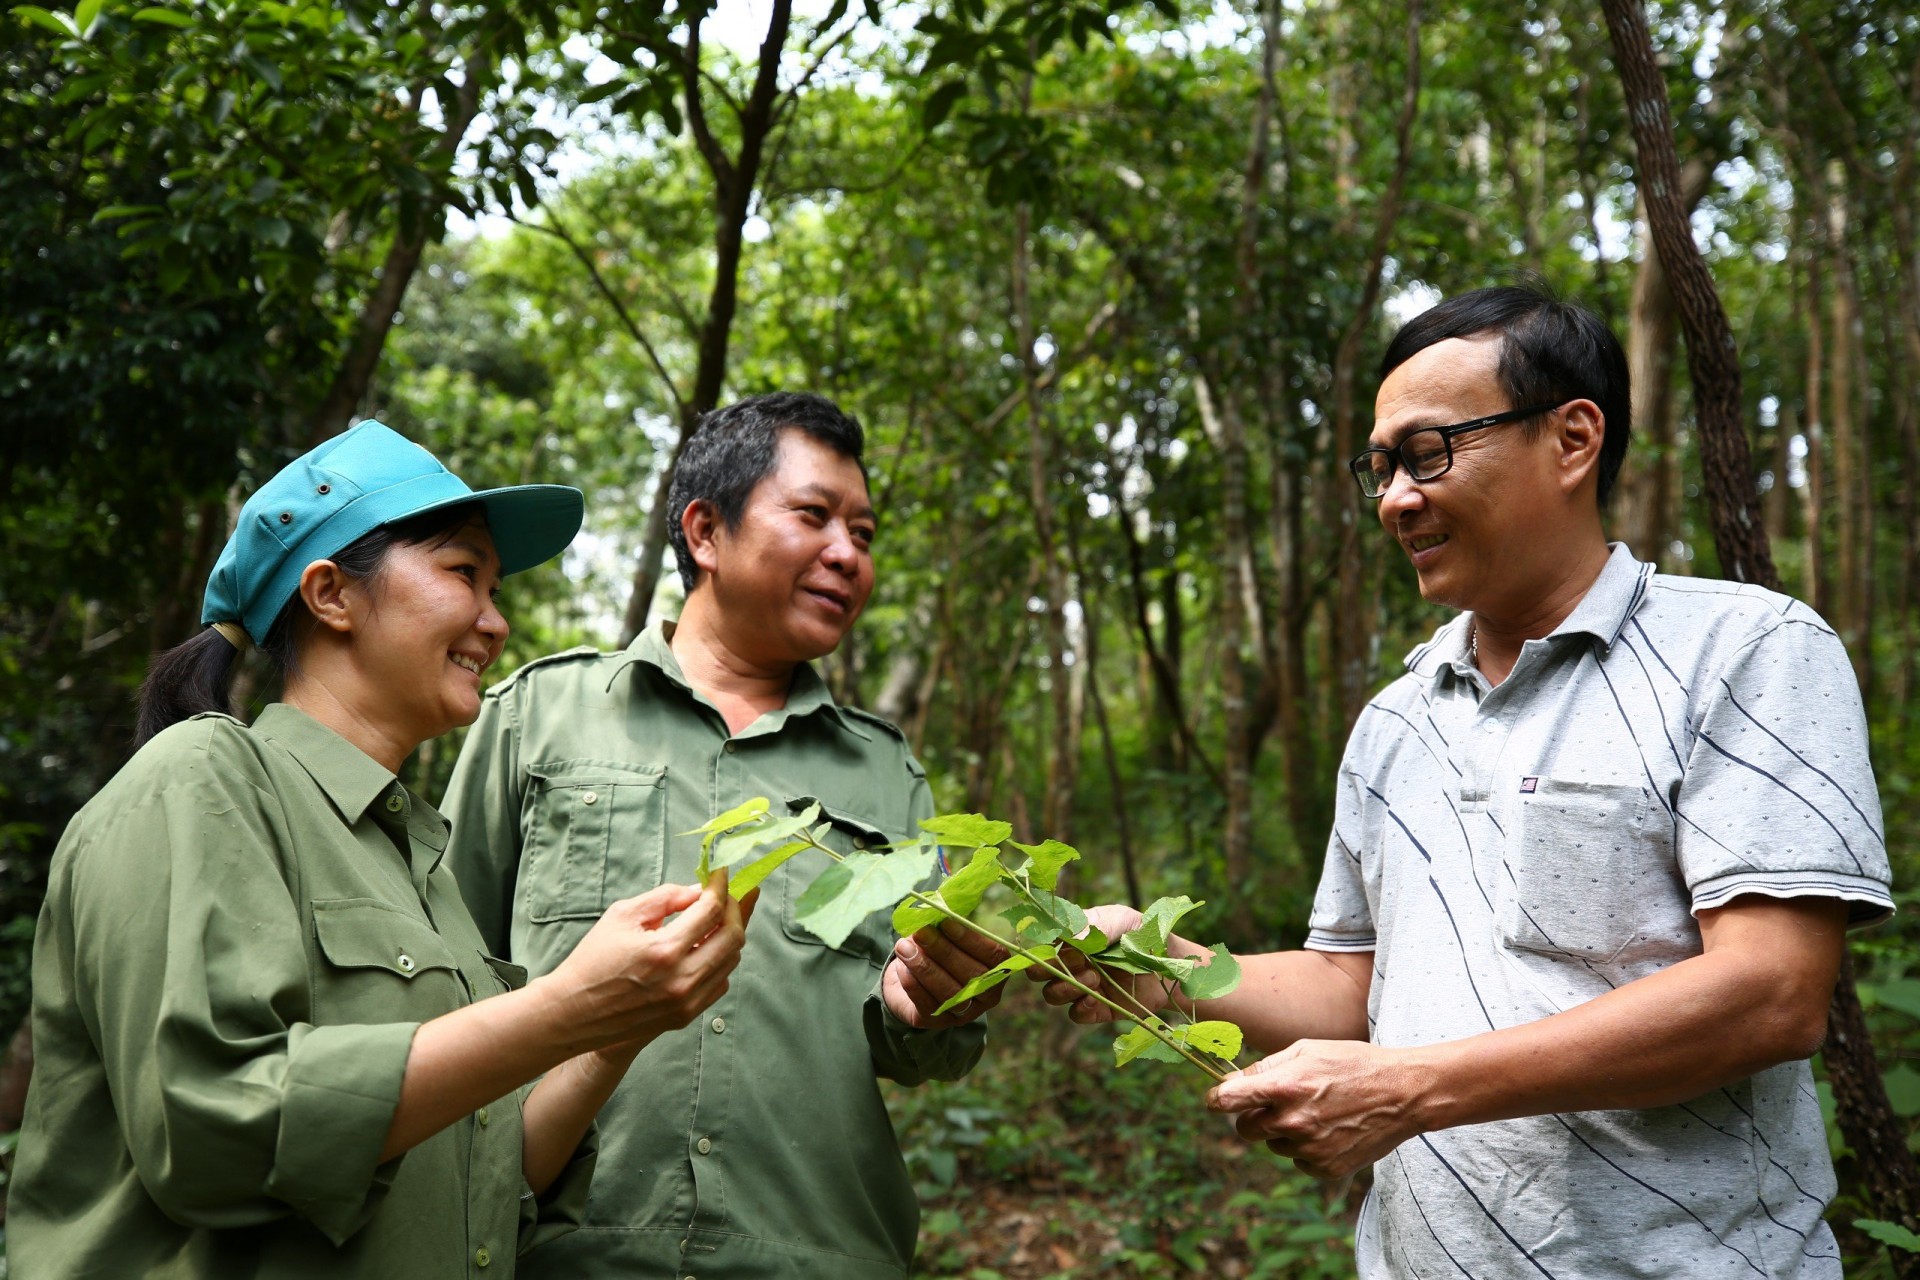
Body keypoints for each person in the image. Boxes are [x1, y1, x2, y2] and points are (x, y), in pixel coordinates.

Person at [1040, 286, 1893, 1278]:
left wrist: (1410, 1086)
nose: (1396, 496)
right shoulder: (1392, 723)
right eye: (1381, 466)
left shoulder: (1746, 650)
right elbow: (1354, 984)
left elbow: (1772, 991)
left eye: (1428, 452)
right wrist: (1161, 961)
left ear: (1574, 439)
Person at [10, 422, 749, 1279]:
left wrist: (617, 1028)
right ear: (331, 594)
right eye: (463, 573)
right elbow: (211, 1132)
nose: (496, 621)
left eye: (496, 587)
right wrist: (568, 1006)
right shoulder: (200, 778)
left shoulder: (418, 864)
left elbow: (489, 1185)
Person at [441, 391, 1002, 1279]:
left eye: (864, 532)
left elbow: (920, 1039)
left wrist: (937, 1003)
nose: (847, 554)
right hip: (557, 1251)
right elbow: (443, 982)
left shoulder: (886, 771)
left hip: (817, 1253)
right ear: (705, 532)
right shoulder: (536, 718)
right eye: (814, 516)